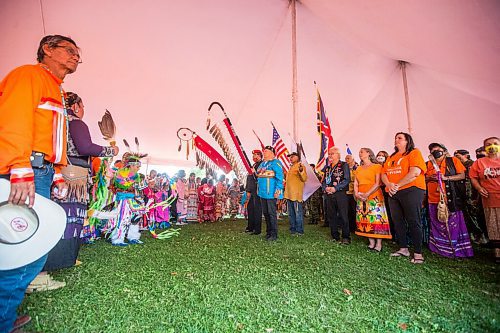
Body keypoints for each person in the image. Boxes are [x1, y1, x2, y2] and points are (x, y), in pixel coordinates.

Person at [0, 34, 80, 333]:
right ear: (47, 49)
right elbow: (12, 120)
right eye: (69, 50)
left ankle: (6, 313)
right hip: (24, 170)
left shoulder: (56, 88)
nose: (75, 57)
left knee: (31, 249)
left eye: (77, 54)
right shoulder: (28, 75)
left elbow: (50, 135)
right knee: (18, 250)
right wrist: (19, 166)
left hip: (41, 170)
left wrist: (56, 171)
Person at [40, 92, 119, 273]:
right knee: (71, 218)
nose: (83, 111)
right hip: (71, 178)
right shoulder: (75, 123)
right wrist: (110, 150)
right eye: (82, 107)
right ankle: (61, 260)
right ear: (75, 106)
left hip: (61, 175)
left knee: (62, 217)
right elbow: (85, 147)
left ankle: (61, 258)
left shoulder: (58, 122)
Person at [381, 132, 427, 264]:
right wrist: (389, 184)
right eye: (395, 138)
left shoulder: (414, 153)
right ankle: (403, 248)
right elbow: (383, 173)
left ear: (408, 141)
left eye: (400, 138)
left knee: (413, 220)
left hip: (411, 190)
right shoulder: (391, 157)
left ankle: (418, 253)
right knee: (397, 221)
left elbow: (415, 172)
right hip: (393, 192)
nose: (396, 140)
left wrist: (397, 185)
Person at [425, 143, 473, 258]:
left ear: (444, 150)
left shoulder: (453, 161)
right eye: (432, 150)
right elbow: (423, 177)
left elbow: (462, 175)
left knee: (453, 223)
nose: (435, 151)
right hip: (433, 198)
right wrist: (430, 178)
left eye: (438, 149)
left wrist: (446, 178)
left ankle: (455, 248)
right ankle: (439, 247)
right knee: (437, 222)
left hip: (450, 198)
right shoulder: (428, 164)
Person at [354, 148, 392, 251]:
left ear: (369, 153)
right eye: (359, 152)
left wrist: (367, 194)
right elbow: (356, 182)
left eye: (362, 151)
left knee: (376, 219)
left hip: (374, 195)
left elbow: (378, 183)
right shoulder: (358, 168)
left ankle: (378, 244)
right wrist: (357, 193)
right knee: (365, 218)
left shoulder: (377, 166)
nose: (360, 153)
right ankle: (371, 242)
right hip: (361, 196)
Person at [470, 136, 500, 263]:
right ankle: (497, 253)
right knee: (493, 226)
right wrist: (478, 188)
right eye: (488, 144)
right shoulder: (479, 162)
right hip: (490, 198)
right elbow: (473, 177)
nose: (492, 146)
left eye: (495, 143)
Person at [454, 149, 488, 243]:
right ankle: (476, 236)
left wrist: (474, 197)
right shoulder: (459, 166)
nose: (456, 158)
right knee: (470, 216)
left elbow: (473, 182)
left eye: (458, 156)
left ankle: (483, 237)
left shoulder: (472, 164)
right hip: (465, 195)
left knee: (476, 217)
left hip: (473, 195)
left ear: (466, 155)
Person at [321, 147, 351, 244]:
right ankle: (335, 235)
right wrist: (325, 188)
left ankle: (346, 237)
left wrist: (336, 188)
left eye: (332, 153)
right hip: (329, 194)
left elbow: (346, 179)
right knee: (331, 215)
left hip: (340, 193)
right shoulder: (327, 168)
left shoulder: (343, 165)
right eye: (329, 154)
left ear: (338, 155)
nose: (330, 155)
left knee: (343, 215)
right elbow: (324, 181)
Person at [256, 146, 284, 241]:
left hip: (271, 192)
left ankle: (274, 234)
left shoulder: (276, 162)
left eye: (266, 151)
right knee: (266, 213)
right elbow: (258, 172)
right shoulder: (263, 163)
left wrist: (278, 189)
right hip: (262, 192)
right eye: (264, 151)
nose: (264, 153)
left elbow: (280, 177)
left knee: (271, 213)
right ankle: (268, 232)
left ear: (272, 153)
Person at [284, 152, 308, 235]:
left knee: (298, 213)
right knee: (291, 214)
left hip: (296, 194)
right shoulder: (291, 167)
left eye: (293, 156)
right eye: (290, 157)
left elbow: (304, 178)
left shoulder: (300, 166)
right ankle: (293, 229)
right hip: (289, 194)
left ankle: (299, 230)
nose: (290, 158)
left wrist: (301, 171)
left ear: (298, 157)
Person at [245, 150, 263, 234]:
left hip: (257, 189)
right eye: (253, 155)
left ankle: (257, 229)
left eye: (256, 155)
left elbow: (259, 177)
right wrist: (248, 190)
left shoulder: (262, 165)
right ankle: (250, 227)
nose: (254, 157)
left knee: (257, 209)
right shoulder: (254, 165)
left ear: (260, 156)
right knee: (250, 208)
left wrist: (254, 172)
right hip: (252, 189)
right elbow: (249, 178)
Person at [345, 154, 359, 233]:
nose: (347, 159)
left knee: (355, 210)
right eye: (346, 158)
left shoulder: (357, 168)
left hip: (354, 192)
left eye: (348, 158)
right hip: (346, 192)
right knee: (348, 211)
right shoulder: (344, 168)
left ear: (353, 159)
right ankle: (350, 228)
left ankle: (356, 227)